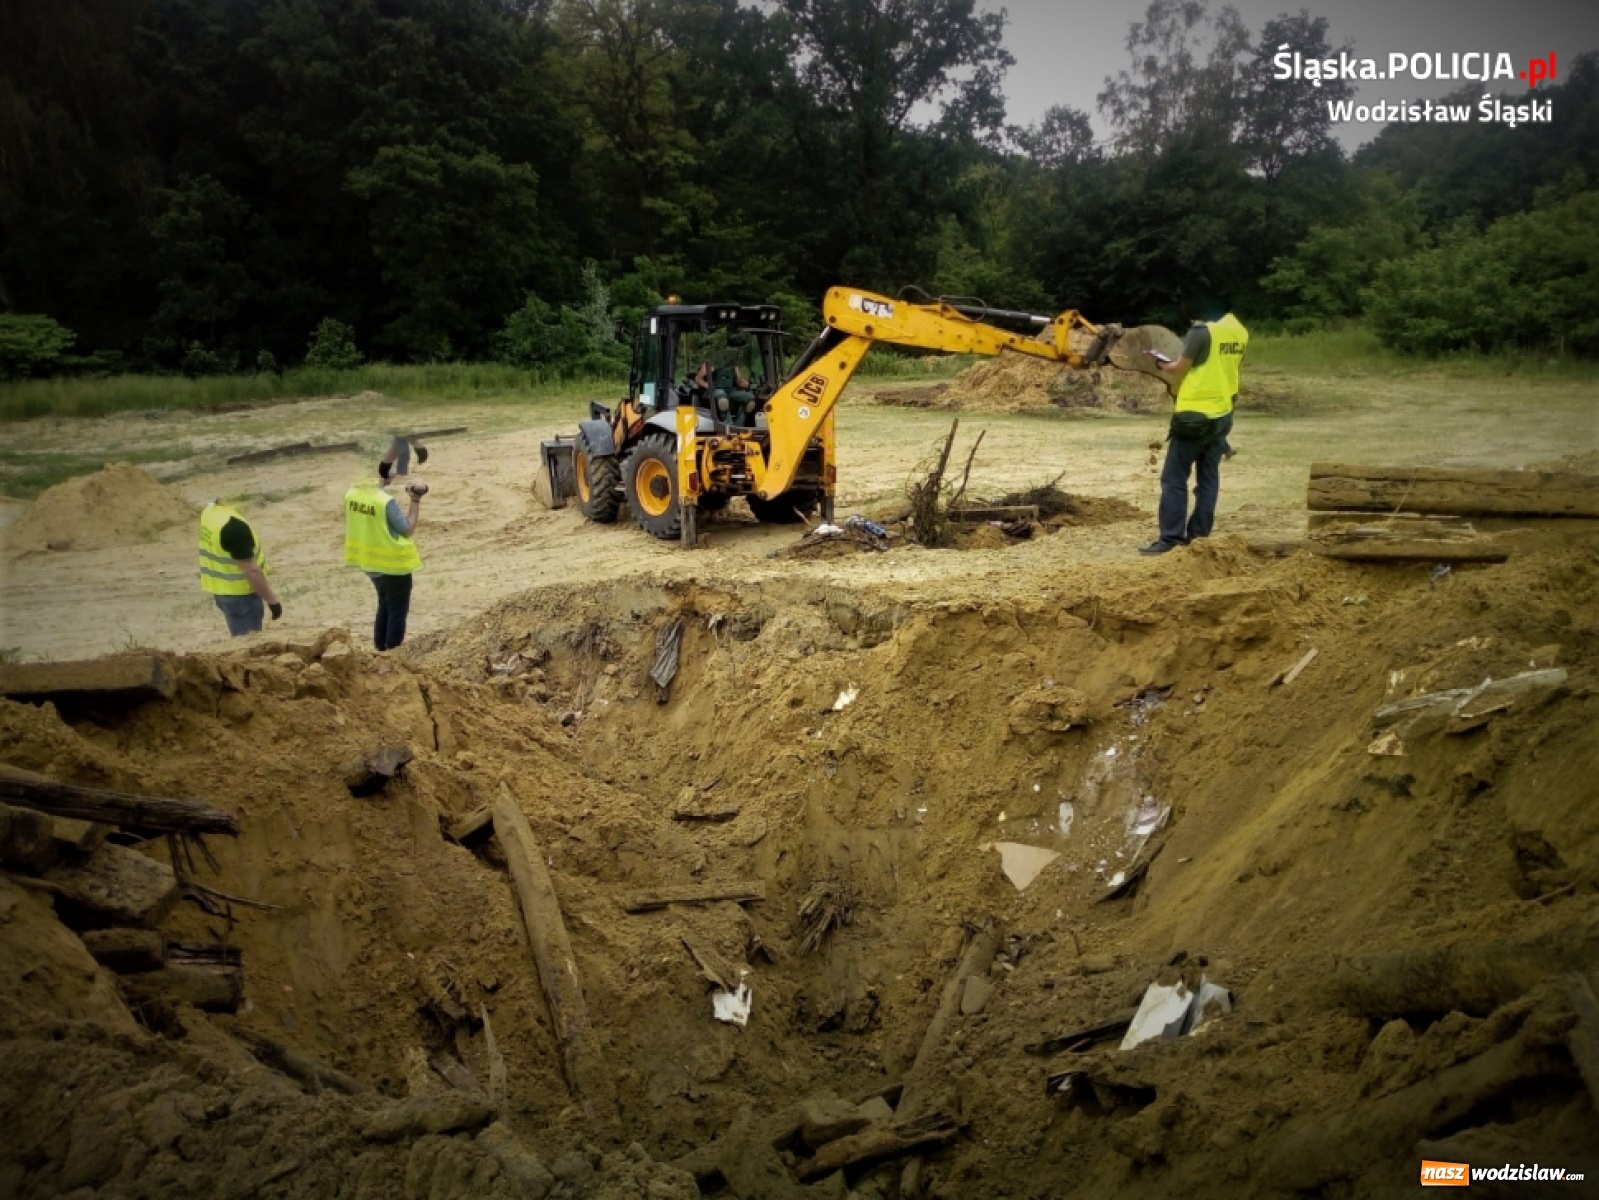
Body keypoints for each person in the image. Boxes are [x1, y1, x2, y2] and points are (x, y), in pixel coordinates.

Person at [1140, 294, 1249, 556]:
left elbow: (1179, 369)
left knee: (1174, 479)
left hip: (1194, 416)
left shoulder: (1201, 332)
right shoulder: (1238, 331)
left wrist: (1159, 363)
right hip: (1223, 413)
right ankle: (1200, 536)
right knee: (1209, 478)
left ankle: (1171, 538)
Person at [344, 471, 425, 651]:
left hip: (369, 562)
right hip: (392, 564)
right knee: (397, 611)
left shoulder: (353, 492)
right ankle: (391, 656)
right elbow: (406, 529)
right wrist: (415, 499)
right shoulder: (384, 500)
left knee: (385, 604)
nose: (395, 473)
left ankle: (380, 650)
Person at [198, 500, 282, 635]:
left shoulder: (210, 512)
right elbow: (251, 569)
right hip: (242, 598)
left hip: (221, 591)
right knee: (248, 644)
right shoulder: (234, 528)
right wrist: (272, 601)